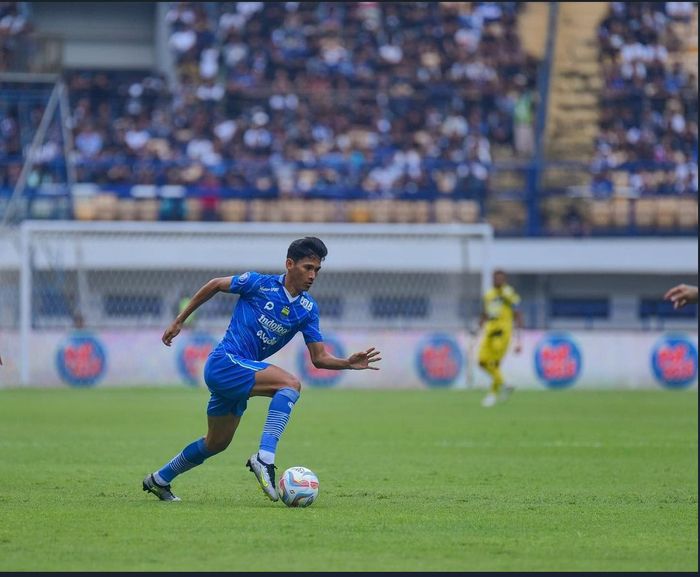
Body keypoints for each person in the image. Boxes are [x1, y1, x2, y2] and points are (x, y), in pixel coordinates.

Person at [143, 237, 381, 502]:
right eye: (307, 267)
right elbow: (215, 285)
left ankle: (159, 479)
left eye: (317, 270)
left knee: (216, 443)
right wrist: (179, 321)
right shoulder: (258, 283)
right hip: (225, 362)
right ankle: (264, 457)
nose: (313, 275)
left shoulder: (307, 309)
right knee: (290, 384)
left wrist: (347, 363)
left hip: (240, 374)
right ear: (289, 264)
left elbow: (319, 358)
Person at [477, 269, 523, 408]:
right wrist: (480, 323)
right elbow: (486, 312)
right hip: (489, 330)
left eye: (501, 278)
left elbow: (517, 312)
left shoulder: (508, 293)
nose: (498, 281)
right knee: (481, 362)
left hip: (503, 331)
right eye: (496, 278)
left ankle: (492, 394)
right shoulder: (489, 294)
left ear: (504, 280)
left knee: (495, 364)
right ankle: (504, 384)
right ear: (492, 279)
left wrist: (519, 337)